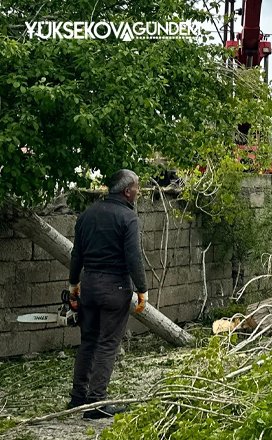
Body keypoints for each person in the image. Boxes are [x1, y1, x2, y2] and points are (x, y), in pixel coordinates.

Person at [68, 169, 149, 419]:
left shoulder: (87, 215)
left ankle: (77, 398)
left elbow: (76, 254)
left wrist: (74, 285)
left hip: (88, 286)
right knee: (107, 345)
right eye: (137, 187)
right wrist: (143, 289)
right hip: (115, 288)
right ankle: (96, 404)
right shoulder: (127, 217)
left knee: (88, 342)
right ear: (127, 191)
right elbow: (133, 257)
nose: (138, 191)